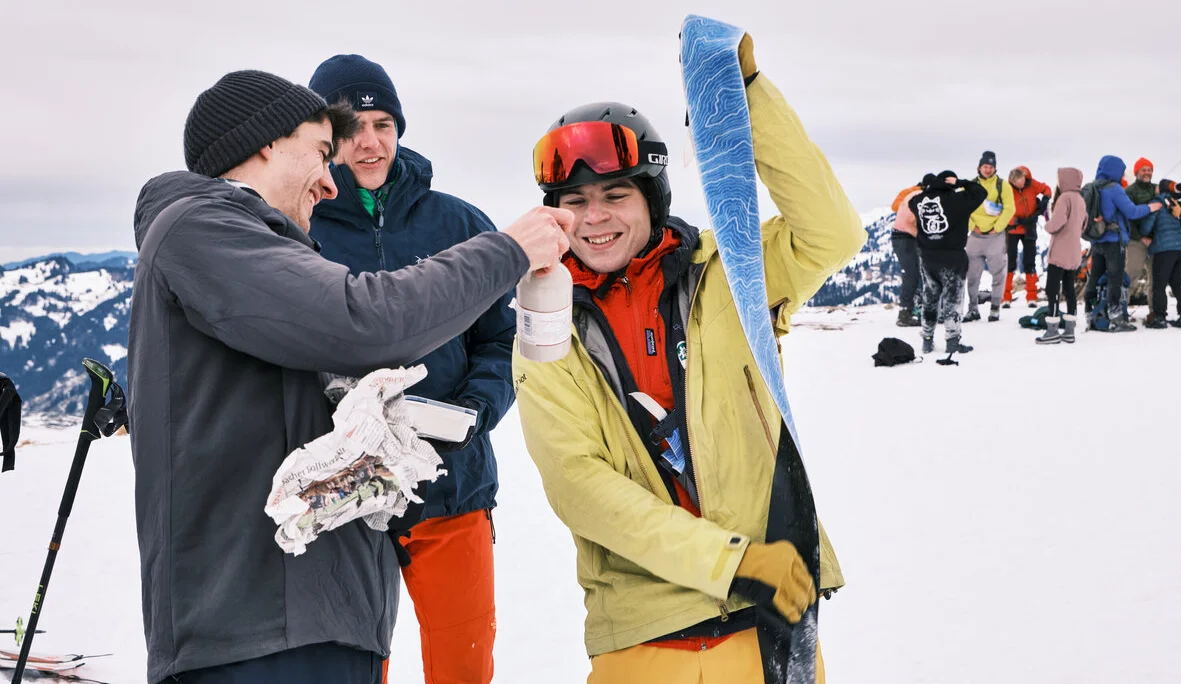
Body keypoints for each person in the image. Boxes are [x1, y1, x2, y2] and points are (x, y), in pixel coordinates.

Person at [127, 69, 570, 684]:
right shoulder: (204, 229)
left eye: (382, 125)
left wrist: (454, 412)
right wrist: (509, 250)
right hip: (257, 632)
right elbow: (363, 320)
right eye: (322, 150)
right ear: (266, 143)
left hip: (329, 600)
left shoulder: (265, 237)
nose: (331, 180)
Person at [512, 35, 862, 684]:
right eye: (575, 202)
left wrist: (748, 99)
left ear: (652, 198)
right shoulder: (546, 327)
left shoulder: (732, 276)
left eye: (615, 195)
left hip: (770, 623)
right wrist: (731, 561)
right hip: (647, 636)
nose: (594, 218)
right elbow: (579, 484)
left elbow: (832, 234)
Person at [307, 54, 508, 684]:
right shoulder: (297, 230)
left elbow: (501, 340)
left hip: (450, 485)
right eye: (352, 128)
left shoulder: (459, 224)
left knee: (462, 667)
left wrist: (474, 412)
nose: (370, 143)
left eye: (384, 125)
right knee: (350, 670)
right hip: (342, 495)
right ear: (324, 139)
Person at [1081, 155, 1163, 332]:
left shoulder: (1092, 187)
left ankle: (1091, 313)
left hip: (1096, 240)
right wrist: (1151, 207)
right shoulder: (1114, 189)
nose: (1123, 175)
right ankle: (1116, 317)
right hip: (1113, 241)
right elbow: (1132, 212)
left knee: (1094, 277)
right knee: (1115, 278)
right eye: (1122, 171)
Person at [910, 171, 988, 354]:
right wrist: (961, 183)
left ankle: (927, 340)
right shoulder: (959, 200)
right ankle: (952, 341)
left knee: (929, 299)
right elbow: (980, 192)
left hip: (928, 257)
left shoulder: (919, 201)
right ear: (950, 184)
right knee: (953, 300)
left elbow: (911, 201)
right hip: (953, 257)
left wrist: (930, 188)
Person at [1037, 168, 1088, 344]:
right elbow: (1084, 224)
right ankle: (1069, 330)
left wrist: (1047, 224)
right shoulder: (1080, 199)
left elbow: (1057, 223)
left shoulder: (1065, 198)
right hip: (1074, 251)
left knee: (1052, 289)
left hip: (1060, 251)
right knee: (1069, 289)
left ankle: (1052, 330)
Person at [965, 150, 1016, 322]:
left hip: (995, 237)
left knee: (998, 273)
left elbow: (1009, 208)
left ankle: (995, 308)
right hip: (975, 236)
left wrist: (997, 227)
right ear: (979, 167)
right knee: (972, 275)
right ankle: (973, 308)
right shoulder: (970, 185)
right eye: (985, 166)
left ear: (995, 168)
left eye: (991, 167)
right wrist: (972, 226)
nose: (988, 170)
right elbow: (964, 207)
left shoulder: (1002, 185)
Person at [1139, 180, 1181, 328]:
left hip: (1164, 250)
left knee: (1159, 285)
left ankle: (1160, 318)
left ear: (1160, 189)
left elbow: (1146, 227)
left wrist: (1144, 233)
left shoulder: (1156, 202)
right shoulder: (1176, 204)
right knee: (1177, 284)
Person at [1004, 166, 1052, 308]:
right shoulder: (1007, 189)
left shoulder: (1032, 183)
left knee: (1030, 262)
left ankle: (1031, 297)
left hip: (1029, 228)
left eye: (1023, 182)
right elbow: (1001, 207)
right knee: (1009, 263)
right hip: (1012, 229)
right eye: (1018, 184)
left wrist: (1045, 199)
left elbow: (1047, 188)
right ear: (1012, 182)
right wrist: (1013, 221)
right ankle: (1005, 297)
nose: (1022, 185)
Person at [1124, 157, 1157, 305]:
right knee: (1131, 274)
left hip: (1155, 240)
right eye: (1144, 170)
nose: (1147, 172)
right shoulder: (1130, 191)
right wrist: (1141, 237)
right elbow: (1127, 217)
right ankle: (1121, 310)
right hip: (1136, 240)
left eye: (1149, 170)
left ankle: (1155, 311)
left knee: (1156, 278)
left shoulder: (1156, 189)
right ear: (1137, 172)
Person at [891, 182, 924, 326]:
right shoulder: (917, 195)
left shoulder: (909, 192)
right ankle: (905, 313)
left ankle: (914, 309)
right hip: (905, 236)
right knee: (912, 274)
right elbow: (910, 220)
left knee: (917, 273)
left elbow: (895, 207)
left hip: (904, 236)